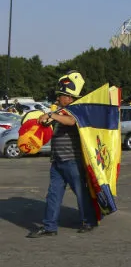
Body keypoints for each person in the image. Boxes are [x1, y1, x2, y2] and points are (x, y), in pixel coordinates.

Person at [27, 72, 98, 238]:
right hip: (57, 161)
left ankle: (88, 221)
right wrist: (45, 120)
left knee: (81, 193)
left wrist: (52, 115)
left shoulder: (75, 110)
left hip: (72, 161)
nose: (59, 97)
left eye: (62, 95)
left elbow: (71, 122)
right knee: (53, 194)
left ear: (70, 97)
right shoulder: (60, 111)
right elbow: (50, 123)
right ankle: (50, 226)